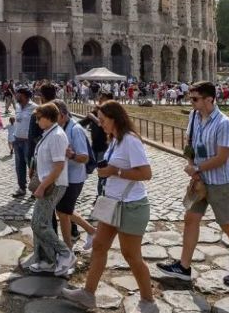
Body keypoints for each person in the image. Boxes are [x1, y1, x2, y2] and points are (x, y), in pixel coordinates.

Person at [156, 81, 229, 287]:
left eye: (195, 99)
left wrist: (198, 169)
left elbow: (222, 157)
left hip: (219, 182)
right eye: (190, 98)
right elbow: (189, 145)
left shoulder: (225, 123)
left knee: (226, 224)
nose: (191, 102)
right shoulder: (193, 117)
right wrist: (191, 165)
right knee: (190, 219)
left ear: (209, 99)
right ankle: (184, 266)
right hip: (199, 180)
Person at [63, 102, 157, 312]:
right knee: (98, 245)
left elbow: (146, 174)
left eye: (103, 120)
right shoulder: (115, 139)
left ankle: (148, 301)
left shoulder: (131, 140)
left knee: (131, 255)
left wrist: (115, 172)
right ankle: (88, 294)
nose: (100, 123)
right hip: (112, 202)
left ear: (115, 118)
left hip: (132, 206)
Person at [23, 103, 74, 276]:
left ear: (49, 117)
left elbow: (59, 166)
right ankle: (45, 259)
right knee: (38, 223)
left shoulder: (57, 136)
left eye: (39, 118)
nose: (37, 122)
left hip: (54, 185)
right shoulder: (49, 134)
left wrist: (42, 186)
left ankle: (65, 253)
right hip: (47, 183)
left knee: (39, 223)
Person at [54, 100, 97, 251]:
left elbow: (84, 157)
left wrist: (70, 155)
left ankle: (67, 248)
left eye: (55, 116)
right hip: (65, 176)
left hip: (74, 177)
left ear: (64, 115)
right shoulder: (61, 127)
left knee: (63, 211)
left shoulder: (75, 129)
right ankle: (91, 232)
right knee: (64, 210)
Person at [11, 88, 37, 198]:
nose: (16, 96)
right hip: (17, 140)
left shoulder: (35, 107)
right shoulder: (17, 106)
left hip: (28, 141)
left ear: (25, 96)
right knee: (19, 165)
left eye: (18, 95)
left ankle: (35, 189)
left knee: (31, 165)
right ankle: (21, 188)